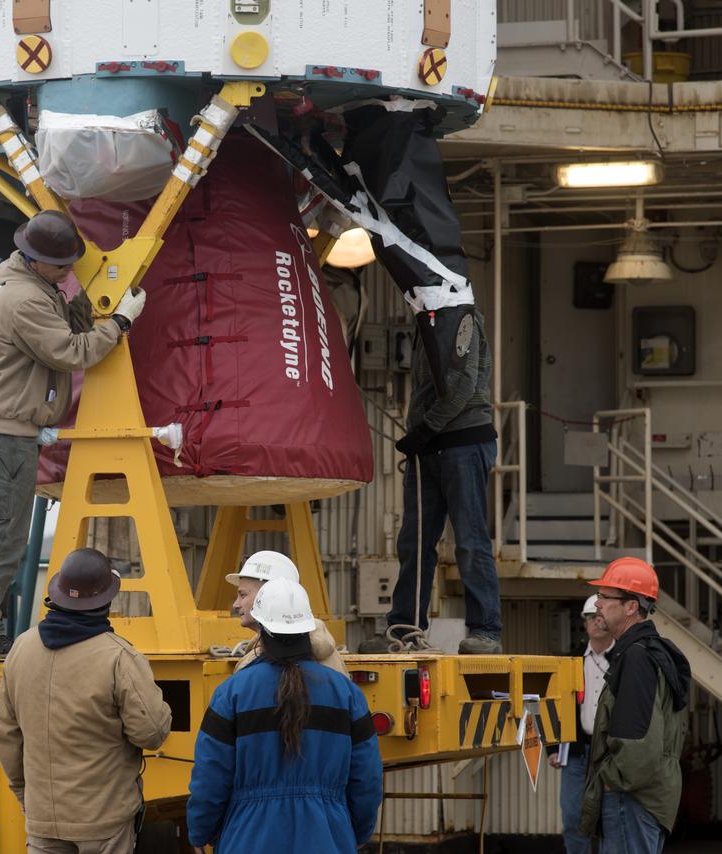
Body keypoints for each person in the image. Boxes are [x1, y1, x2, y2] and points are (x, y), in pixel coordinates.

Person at [0, 210, 147, 659]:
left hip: (15, 429)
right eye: (62, 266)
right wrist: (120, 323)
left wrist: (84, 299)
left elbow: (71, 327)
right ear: (35, 259)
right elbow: (70, 350)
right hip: (6, 434)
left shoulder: (38, 289)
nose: (68, 272)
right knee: (3, 533)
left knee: (5, 533)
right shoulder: (25, 301)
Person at [0, 547, 172, 853]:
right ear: (105, 600)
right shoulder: (119, 657)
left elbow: (6, 736)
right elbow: (151, 733)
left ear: (58, 593)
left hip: (43, 820)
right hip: (103, 821)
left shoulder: (21, 649)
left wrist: (24, 795)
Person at [188, 577, 383, 853]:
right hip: (328, 838)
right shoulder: (346, 694)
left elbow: (210, 777)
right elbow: (367, 778)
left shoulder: (232, 693)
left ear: (261, 627)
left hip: (248, 839)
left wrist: (200, 831)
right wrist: (358, 831)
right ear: (307, 627)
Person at [386, 304, 502, 655]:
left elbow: (463, 385)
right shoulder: (426, 319)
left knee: (469, 539)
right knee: (414, 541)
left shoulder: (462, 315)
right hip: (430, 446)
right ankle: (405, 626)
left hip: (461, 442)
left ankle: (485, 630)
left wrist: (426, 428)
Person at [579, 558, 691, 854]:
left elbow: (637, 746)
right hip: (649, 799)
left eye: (605, 597)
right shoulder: (650, 652)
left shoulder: (637, 658)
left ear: (631, 607)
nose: (598, 604)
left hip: (630, 799)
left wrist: (609, 782)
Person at [548, 595, 614, 854]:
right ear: (584, 623)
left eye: (600, 618)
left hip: (611, 753)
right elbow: (554, 706)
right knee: (574, 817)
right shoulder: (571, 662)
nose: (597, 623)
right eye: (591, 618)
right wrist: (553, 748)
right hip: (577, 752)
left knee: (611, 817)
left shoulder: (624, 660)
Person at [226, 550, 346, 675]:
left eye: (243, 595)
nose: (236, 604)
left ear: (268, 594)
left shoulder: (256, 663)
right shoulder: (331, 660)